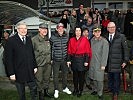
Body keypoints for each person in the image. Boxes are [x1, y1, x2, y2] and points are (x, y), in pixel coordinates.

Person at [5, 22, 38, 100]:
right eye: (21, 28)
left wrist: (35, 66)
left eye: (25, 28)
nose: (24, 30)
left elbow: (32, 54)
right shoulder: (11, 41)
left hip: (30, 70)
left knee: (34, 88)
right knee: (21, 93)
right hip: (18, 71)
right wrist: (11, 73)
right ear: (17, 29)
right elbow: (8, 59)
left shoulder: (29, 39)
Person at [104, 22, 129, 100]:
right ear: (107, 28)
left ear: (115, 27)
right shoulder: (105, 36)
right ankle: (110, 88)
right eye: (109, 27)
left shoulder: (121, 37)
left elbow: (126, 50)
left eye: (113, 27)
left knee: (116, 78)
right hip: (109, 61)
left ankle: (115, 93)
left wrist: (125, 61)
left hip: (118, 62)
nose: (111, 29)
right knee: (110, 76)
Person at [67, 26, 92, 97]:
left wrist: (86, 61)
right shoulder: (71, 40)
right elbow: (69, 51)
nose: (78, 32)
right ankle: (75, 89)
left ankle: (80, 90)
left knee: (81, 77)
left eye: (79, 31)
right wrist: (68, 60)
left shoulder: (85, 40)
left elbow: (87, 51)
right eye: (76, 31)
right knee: (75, 76)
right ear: (74, 32)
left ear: (81, 32)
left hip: (82, 59)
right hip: (74, 59)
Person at [49, 23, 72, 99]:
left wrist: (68, 59)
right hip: (56, 60)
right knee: (55, 76)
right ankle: (56, 89)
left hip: (64, 60)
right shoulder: (52, 37)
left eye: (62, 27)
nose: (61, 29)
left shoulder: (67, 37)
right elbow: (51, 49)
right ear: (57, 29)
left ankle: (64, 87)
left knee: (64, 75)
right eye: (59, 27)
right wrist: (51, 59)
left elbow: (69, 49)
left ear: (63, 28)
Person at [32, 23, 53, 100]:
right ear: (39, 30)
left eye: (46, 29)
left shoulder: (47, 39)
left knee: (46, 79)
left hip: (47, 63)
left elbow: (49, 51)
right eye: (43, 29)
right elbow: (31, 53)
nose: (45, 30)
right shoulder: (34, 40)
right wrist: (33, 65)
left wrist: (51, 59)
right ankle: (40, 95)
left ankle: (46, 92)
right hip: (39, 64)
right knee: (39, 80)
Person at [89, 24, 109, 100]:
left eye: (98, 31)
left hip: (100, 63)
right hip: (92, 62)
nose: (97, 33)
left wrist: (103, 64)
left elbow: (105, 54)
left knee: (100, 79)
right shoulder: (92, 40)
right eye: (95, 32)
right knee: (94, 77)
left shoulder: (104, 41)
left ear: (100, 32)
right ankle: (95, 89)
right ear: (93, 33)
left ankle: (100, 93)